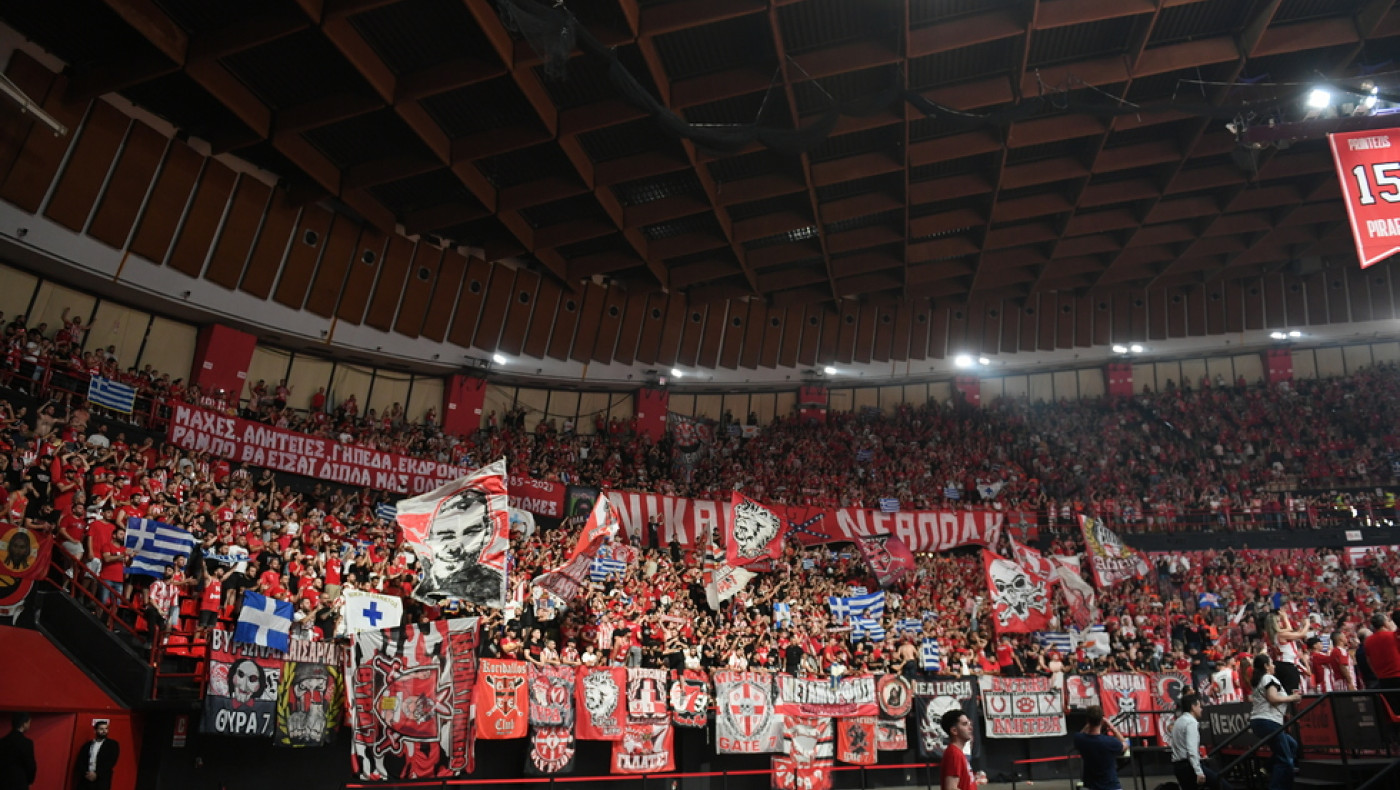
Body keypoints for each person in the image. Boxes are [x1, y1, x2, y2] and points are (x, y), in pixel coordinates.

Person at [1249, 655, 1301, 790]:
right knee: (1286, 761)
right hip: (1269, 721)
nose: (1274, 665)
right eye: (1271, 663)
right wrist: (1292, 697)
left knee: (1292, 745)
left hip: (1260, 721)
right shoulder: (1268, 678)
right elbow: (1273, 698)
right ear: (1266, 666)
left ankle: (1267, 768)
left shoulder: (1259, 680)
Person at [1171, 693, 1231, 790]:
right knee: (1224, 786)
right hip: (1189, 767)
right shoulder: (1191, 723)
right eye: (1199, 706)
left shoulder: (1178, 721)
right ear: (1193, 707)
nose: (1201, 709)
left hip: (1179, 767)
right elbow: (1191, 750)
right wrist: (1198, 771)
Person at [1073, 705, 1128, 790]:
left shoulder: (1079, 739)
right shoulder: (1110, 742)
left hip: (1091, 787)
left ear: (1087, 720)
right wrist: (1111, 726)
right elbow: (1125, 744)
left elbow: (1082, 734)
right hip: (1111, 786)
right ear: (1102, 720)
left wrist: (1089, 724)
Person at [73, 719, 119, 790]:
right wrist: (87, 774)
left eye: (106, 729)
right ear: (95, 731)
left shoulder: (112, 744)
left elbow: (111, 761)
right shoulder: (87, 745)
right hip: (86, 778)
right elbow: (80, 761)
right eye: (101, 729)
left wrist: (97, 774)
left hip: (102, 779)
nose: (104, 731)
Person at [939, 708, 978, 790]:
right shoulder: (954, 754)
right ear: (954, 731)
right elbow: (951, 788)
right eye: (965, 724)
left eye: (969, 724)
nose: (970, 728)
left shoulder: (958, 753)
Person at [0, 712, 36, 790]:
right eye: (29, 722)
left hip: (3, 783)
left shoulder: (2, 741)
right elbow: (30, 765)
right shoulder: (27, 743)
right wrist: (30, 781)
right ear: (24, 724)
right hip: (20, 783)